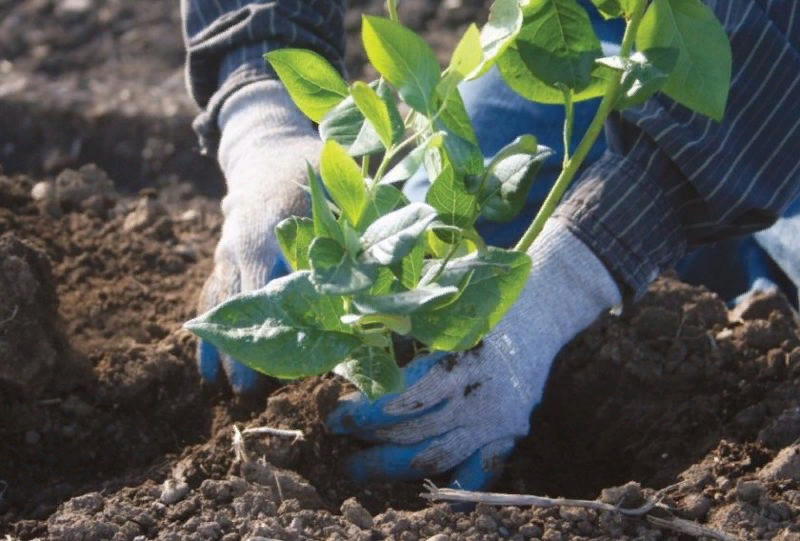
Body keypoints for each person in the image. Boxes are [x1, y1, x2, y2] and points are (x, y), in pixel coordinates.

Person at [182, 0, 800, 490]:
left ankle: (752, 264)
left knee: (744, 228)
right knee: (444, 220)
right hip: (594, 18)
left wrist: (568, 280)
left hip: (773, 50)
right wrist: (260, 116)